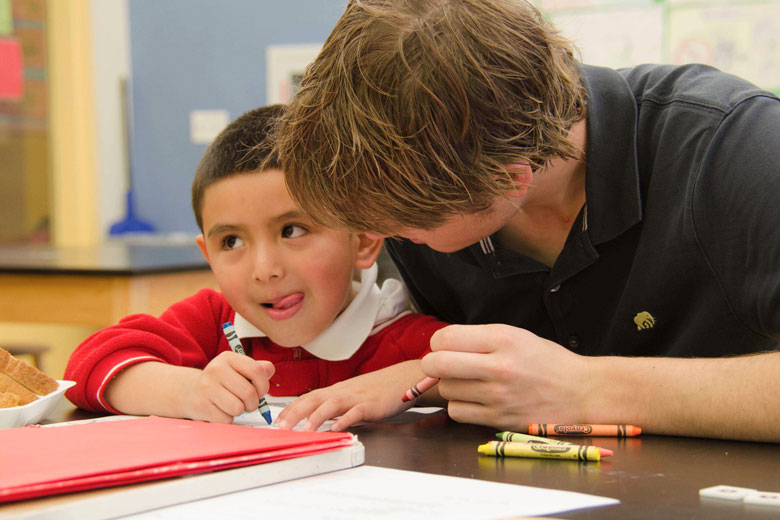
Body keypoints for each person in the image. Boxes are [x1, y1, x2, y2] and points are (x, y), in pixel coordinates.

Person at [274, 0, 780, 441]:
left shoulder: (736, 150)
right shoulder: (417, 192)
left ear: (507, 181)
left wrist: (588, 388)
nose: (381, 239)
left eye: (403, 226)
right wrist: (427, 374)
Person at [65, 104, 447, 432]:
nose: (264, 270)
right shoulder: (215, 322)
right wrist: (190, 391)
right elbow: (88, 366)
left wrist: (411, 378)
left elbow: (490, 368)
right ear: (208, 255)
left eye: (292, 230)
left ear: (363, 239)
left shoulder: (399, 338)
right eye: (231, 241)